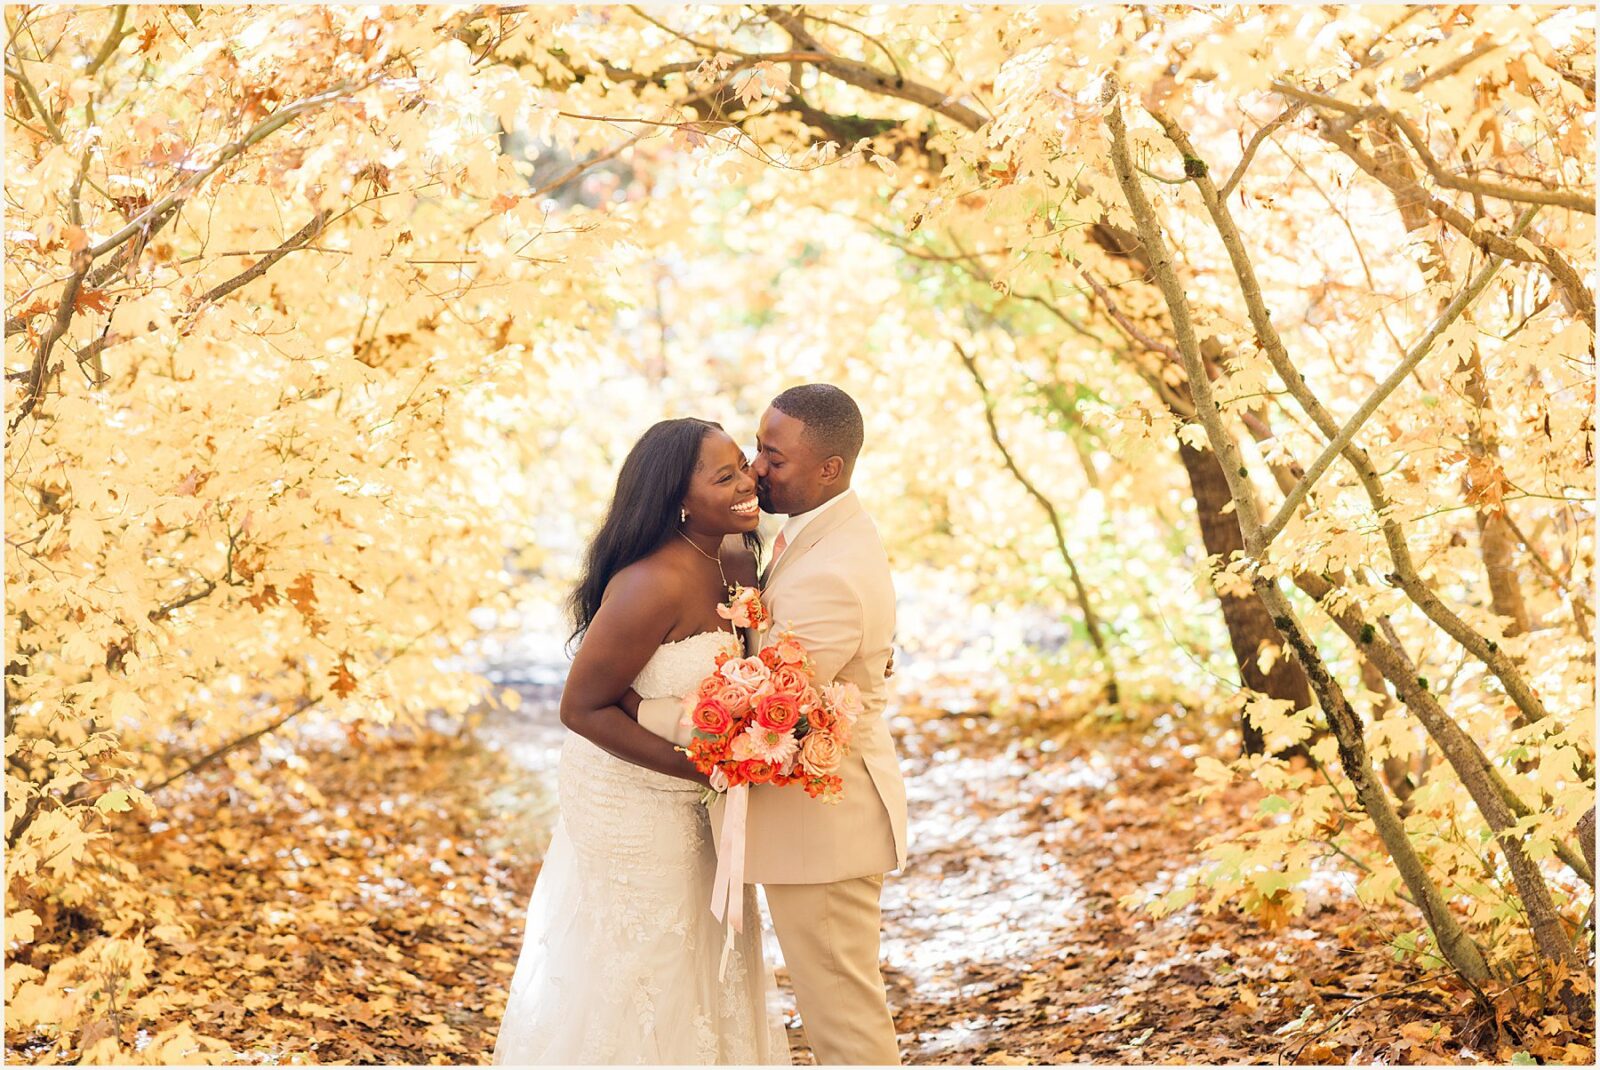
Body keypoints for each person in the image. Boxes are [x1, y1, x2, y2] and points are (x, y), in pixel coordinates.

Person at [492, 417, 790, 1065]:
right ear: (676, 500)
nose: (749, 482)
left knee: (717, 951)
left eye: (745, 463)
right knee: (653, 958)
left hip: (702, 787)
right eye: (726, 475)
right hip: (628, 791)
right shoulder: (649, 582)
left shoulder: (740, 555)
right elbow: (583, 707)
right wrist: (708, 769)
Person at [632, 384, 908, 1066]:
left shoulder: (832, 571)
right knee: (839, 1009)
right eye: (758, 447)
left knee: (844, 1019)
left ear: (829, 469)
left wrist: (639, 710)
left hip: (826, 827)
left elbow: (761, 714)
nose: (756, 467)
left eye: (772, 455)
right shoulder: (815, 537)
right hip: (816, 824)